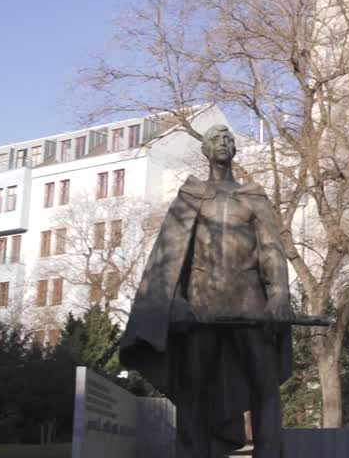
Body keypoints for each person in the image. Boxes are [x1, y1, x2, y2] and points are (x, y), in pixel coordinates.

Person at [119, 124, 295, 457]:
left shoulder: (252, 196)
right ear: (205, 150)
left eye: (229, 138)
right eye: (216, 139)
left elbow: (271, 248)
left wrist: (280, 294)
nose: (224, 143)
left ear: (235, 149)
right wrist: (177, 300)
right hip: (201, 307)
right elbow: (171, 256)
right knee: (193, 390)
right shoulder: (190, 197)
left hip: (250, 305)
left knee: (265, 386)